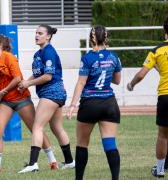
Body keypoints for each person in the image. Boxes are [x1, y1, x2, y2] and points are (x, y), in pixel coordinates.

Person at [0, 33, 59, 172]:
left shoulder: (9, 58)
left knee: (35, 129)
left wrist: (3, 91)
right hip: (5, 100)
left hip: (21, 98)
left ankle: (53, 161)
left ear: (0, 45)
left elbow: (18, 78)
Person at [18, 24, 75, 173]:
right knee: (57, 128)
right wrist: (26, 83)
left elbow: (48, 76)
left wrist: (29, 83)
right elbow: (38, 74)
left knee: (37, 127)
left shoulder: (49, 52)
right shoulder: (38, 54)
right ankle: (70, 161)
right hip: (55, 93)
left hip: (52, 92)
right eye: (36, 33)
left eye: (40, 33)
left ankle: (33, 164)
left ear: (48, 36)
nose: (36, 35)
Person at [67, 25, 122, 180]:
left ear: (91, 38)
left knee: (82, 143)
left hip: (90, 103)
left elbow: (81, 83)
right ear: (106, 37)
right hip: (109, 103)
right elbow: (117, 81)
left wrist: (72, 106)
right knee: (110, 143)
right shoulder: (114, 57)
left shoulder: (87, 58)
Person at [127, 17, 168, 178]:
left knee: (163, 135)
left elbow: (142, 74)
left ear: (165, 31)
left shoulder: (157, 50)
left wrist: (131, 84)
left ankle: (159, 170)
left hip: (165, 96)